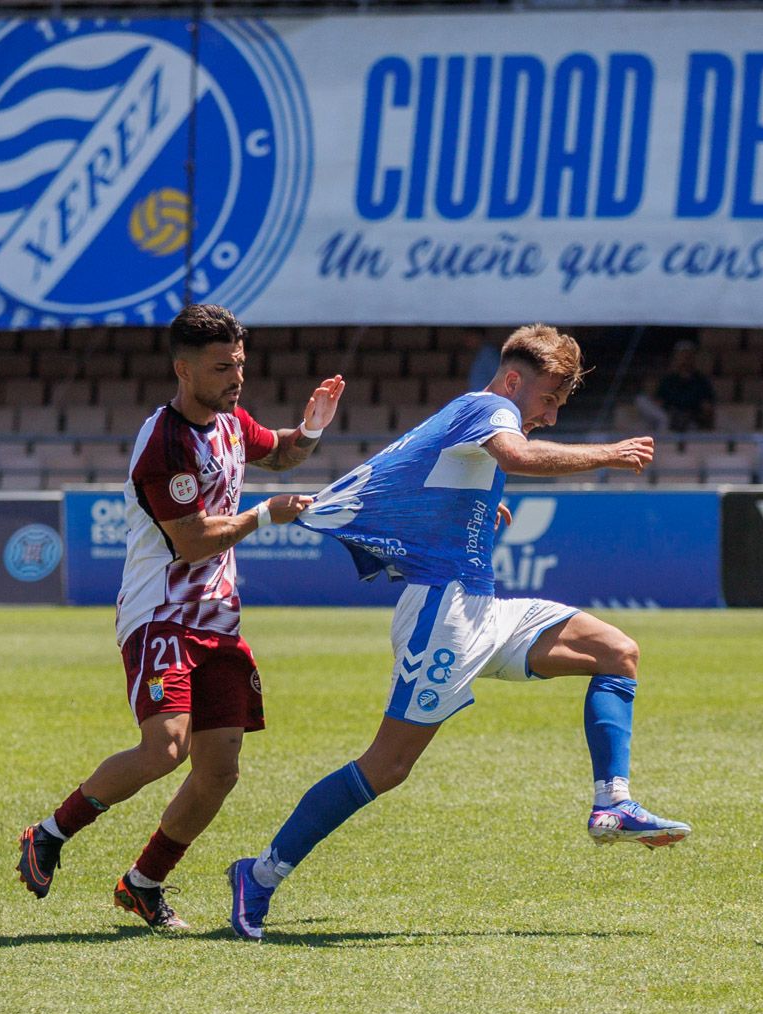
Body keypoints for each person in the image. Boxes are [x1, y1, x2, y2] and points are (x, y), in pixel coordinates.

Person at [225, 323, 688, 942]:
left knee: (616, 652)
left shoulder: (481, 417)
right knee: (386, 766)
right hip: (441, 614)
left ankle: (613, 803)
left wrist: (473, 505)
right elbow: (517, 456)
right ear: (516, 381)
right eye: (549, 400)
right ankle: (258, 875)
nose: (549, 416)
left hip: (481, 608)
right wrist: (606, 453)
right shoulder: (489, 406)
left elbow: (436, 470)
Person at [16, 304, 344, 931]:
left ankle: (144, 882)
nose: (236, 378)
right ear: (183, 369)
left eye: (241, 365)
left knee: (219, 772)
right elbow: (192, 541)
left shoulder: (228, 420)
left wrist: (311, 429)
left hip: (218, 621)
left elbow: (280, 455)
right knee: (166, 747)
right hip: (159, 613)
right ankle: (52, 833)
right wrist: (264, 516)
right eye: (223, 367)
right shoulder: (164, 443)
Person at [636, 339, 715, 434]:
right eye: (682, 355)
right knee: (641, 400)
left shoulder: (701, 381)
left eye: (688, 355)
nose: (685, 358)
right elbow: (660, 402)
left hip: (690, 421)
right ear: (676, 357)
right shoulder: (668, 380)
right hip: (669, 418)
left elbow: (706, 406)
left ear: (693, 358)